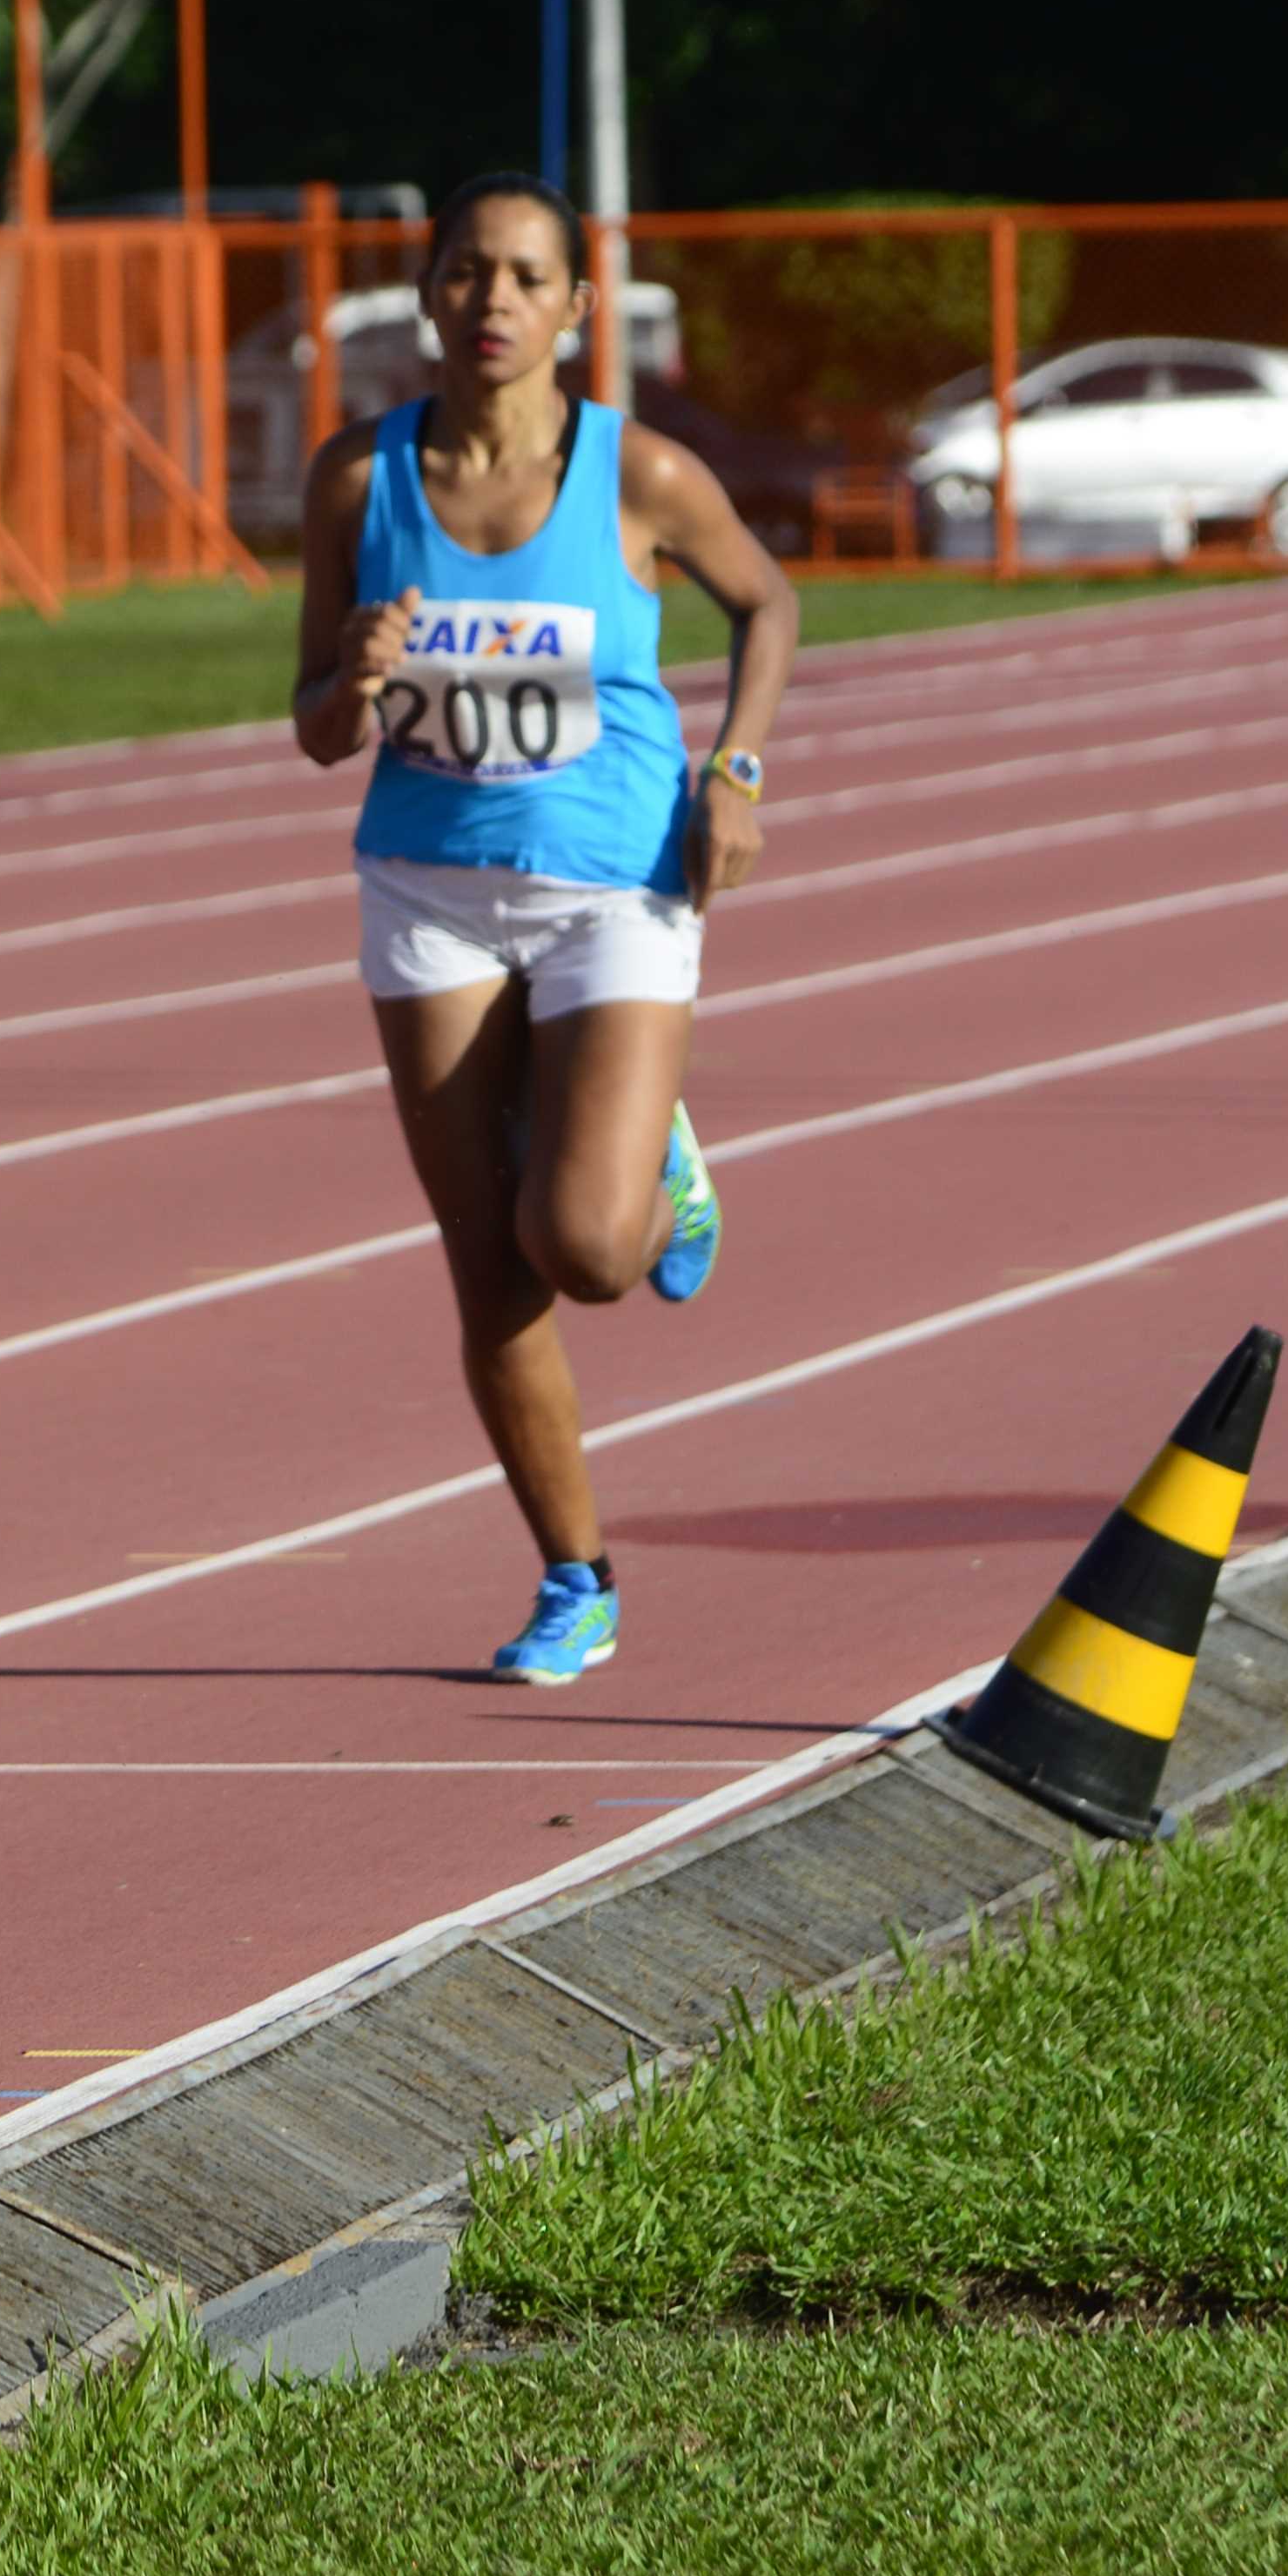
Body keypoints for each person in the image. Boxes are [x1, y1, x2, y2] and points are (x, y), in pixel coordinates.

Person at [290, 171, 797, 1685]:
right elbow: (317, 731)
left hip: (612, 884)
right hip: (429, 894)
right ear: (430, 295)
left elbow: (765, 604)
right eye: (468, 273)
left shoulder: (638, 478)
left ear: (578, 309)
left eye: (527, 277)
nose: (495, 300)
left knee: (580, 1244)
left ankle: (662, 1171)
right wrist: (358, 684)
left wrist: (741, 768)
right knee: (488, 1270)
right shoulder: (355, 482)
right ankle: (575, 1577)